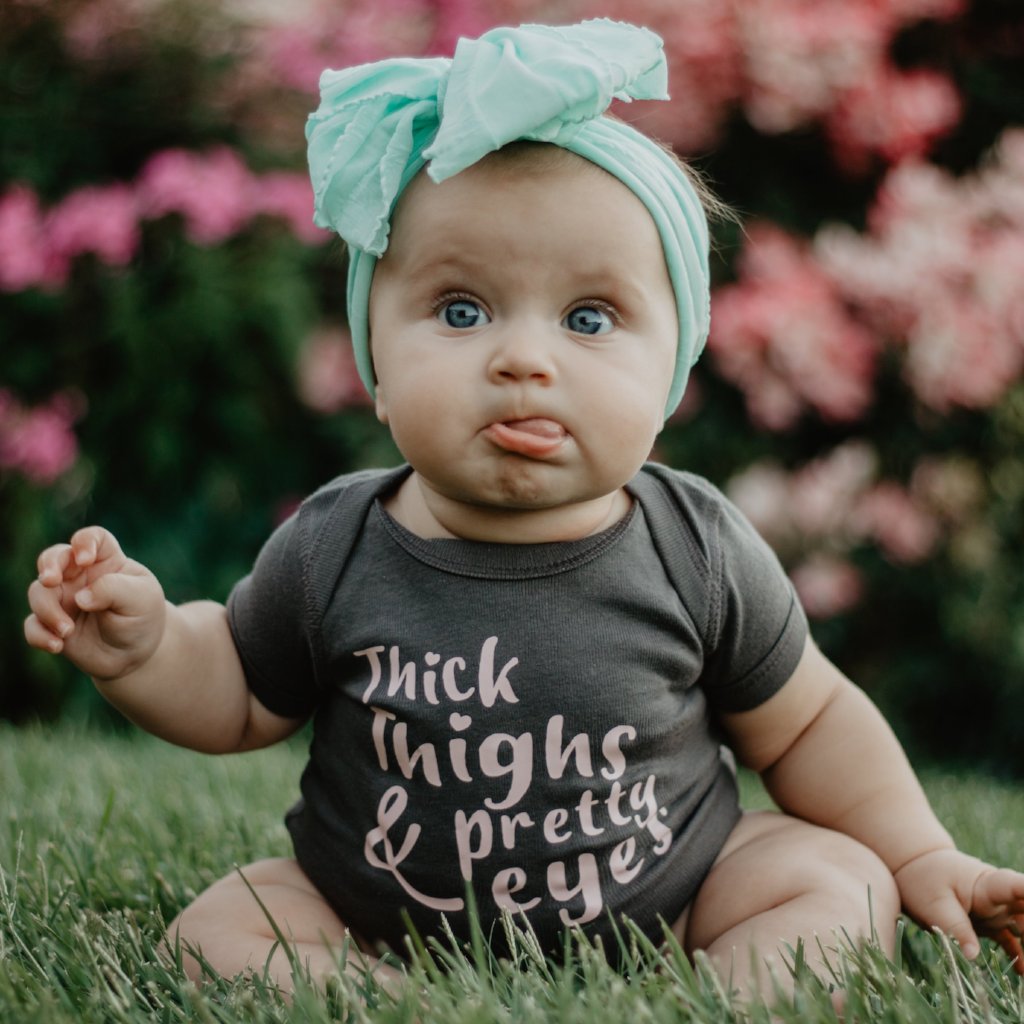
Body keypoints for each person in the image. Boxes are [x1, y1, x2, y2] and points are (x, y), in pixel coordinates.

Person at [24, 19, 1024, 1003]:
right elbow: (239, 689)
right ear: (374, 363)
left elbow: (805, 723)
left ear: (671, 376)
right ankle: (380, 995)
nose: (523, 359)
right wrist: (149, 646)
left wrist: (917, 851)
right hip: (370, 906)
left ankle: (711, 997)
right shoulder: (338, 541)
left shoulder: (693, 545)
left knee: (834, 884)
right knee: (217, 933)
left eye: (590, 318)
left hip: (673, 896)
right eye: (461, 310)